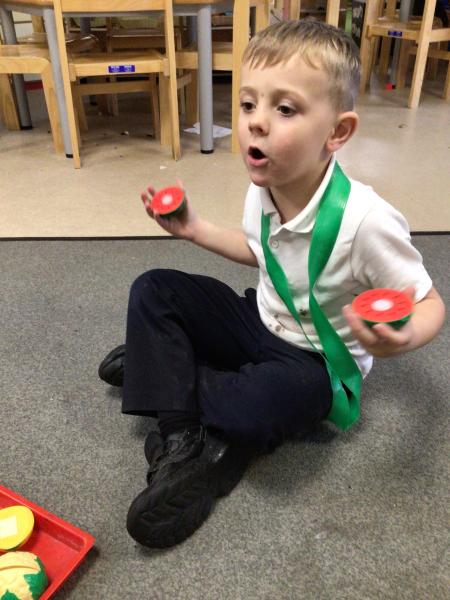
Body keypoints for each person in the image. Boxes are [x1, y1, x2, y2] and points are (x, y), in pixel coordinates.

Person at [98, 20, 445, 549]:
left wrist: (405, 336)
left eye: (284, 109)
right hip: (259, 317)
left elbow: (429, 302)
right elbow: (259, 252)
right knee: (153, 288)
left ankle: (166, 379)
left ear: (337, 133)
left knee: (267, 403)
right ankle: (185, 430)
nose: (256, 122)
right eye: (247, 104)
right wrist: (194, 230)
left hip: (312, 363)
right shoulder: (263, 185)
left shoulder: (366, 221)